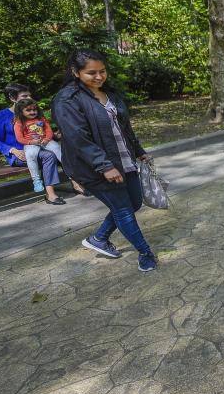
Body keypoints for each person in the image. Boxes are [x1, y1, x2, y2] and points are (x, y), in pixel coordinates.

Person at [52, 49, 158, 272]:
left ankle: (99, 238)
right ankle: (145, 253)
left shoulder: (109, 93)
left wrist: (139, 151)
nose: (99, 77)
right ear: (76, 72)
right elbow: (77, 137)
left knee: (134, 202)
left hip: (124, 160)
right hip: (95, 167)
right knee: (123, 210)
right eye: (92, 73)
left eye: (102, 71)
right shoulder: (67, 99)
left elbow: (124, 127)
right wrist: (104, 165)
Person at [0, 83, 65, 205]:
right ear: (12, 98)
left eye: (29, 96)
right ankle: (50, 194)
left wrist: (53, 136)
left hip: (41, 147)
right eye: (24, 96)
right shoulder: (1, 116)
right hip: (20, 154)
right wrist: (13, 150)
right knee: (49, 156)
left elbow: (40, 131)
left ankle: (78, 182)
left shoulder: (33, 111)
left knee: (63, 150)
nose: (29, 99)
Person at [12, 98, 64, 193]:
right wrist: (31, 142)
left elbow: (49, 131)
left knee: (57, 148)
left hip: (45, 140)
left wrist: (47, 139)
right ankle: (36, 180)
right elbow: (19, 138)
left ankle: (70, 171)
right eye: (28, 110)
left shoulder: (41, 119)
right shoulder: (19, 122)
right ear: (20, 111)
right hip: (31, 143)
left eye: (34, 109)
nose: (32, 112)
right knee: (31, 155)